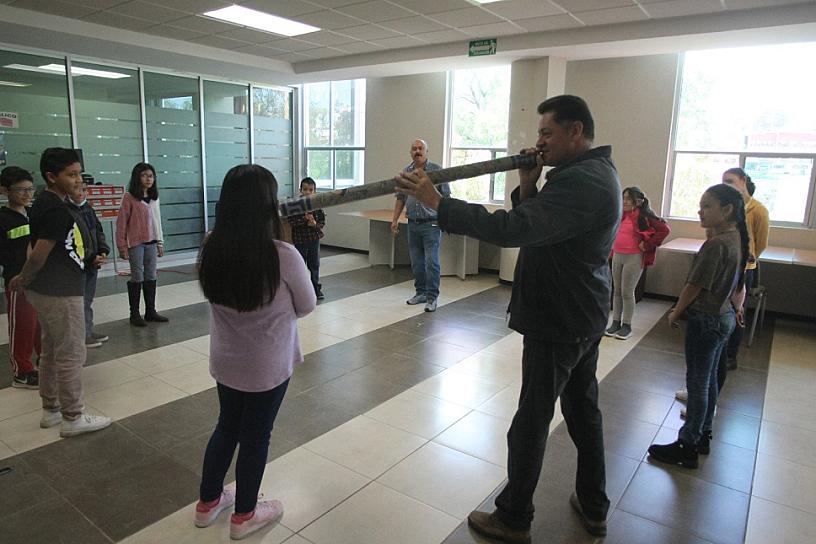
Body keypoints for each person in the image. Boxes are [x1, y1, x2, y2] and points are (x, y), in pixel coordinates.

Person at [396, 95, 620, 543]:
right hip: (580, 312)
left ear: (576, 131)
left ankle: (514, 517)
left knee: (532, 421)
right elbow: (538, 223)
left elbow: (513, 230)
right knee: (582, 411)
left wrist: (439, 203)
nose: (538, 143)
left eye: (546, 133)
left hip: (559, 319)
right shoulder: (587, 174)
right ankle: (594, 505)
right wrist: (528, 184)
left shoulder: (583, 182)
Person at [195, 164, 316, 540]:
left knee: (227, 427)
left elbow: (212, 294)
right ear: (267, 205)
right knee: (256, 436)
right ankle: (245, 514)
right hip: (267, 367)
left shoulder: (211, 243)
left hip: (227, 361)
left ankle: (207, 503)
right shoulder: (283, 254)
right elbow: (307, 304)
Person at [9, 148, 111, 437]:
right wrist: (24, 277)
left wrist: (28, 279)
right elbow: (39, 254)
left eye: (79, 173)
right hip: (60, 291)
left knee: (52, 351)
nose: (78, 179)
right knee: (71, 353)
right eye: (71, 174)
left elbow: (34, 245)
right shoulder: (55, 208)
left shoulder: (43, 203)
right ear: (52, 177)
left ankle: (51, 410)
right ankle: (73, 416)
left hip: (48, 288)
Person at [649, 184, 748, 469]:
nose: (700, 211)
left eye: (707, 206)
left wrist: (676, 311)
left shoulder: (716, 245)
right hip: (724, 315)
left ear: (727, 210)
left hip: (707, 318)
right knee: (710, 380)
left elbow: (695, 285)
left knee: (698, 383)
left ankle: (687, 443)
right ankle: (703, 433)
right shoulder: (735, 238)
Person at [391, 138, 450, 313]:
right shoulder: (406, 172)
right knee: (416, 262)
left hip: (431, 223)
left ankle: (432, 297)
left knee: (431, 262)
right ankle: (421, 293)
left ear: (426, 151)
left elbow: (446, 197)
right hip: (413, 224)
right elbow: (400, 198)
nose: (417, 151)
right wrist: (394, 220)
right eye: (414, 149)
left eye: (420, 148)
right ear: (410, 152)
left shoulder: (436, 171)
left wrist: (446, 220)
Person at [605, 186, 670, 339]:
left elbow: (664, 229)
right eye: (624, 198)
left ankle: (626, 325)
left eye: (628, 198)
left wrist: (647, 244)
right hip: (618, 255)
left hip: (633, 257)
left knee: (627, 292)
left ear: (639, 201)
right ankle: (616, 322)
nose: (625, 201)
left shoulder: (645, 216)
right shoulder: (621, 214)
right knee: (617, 291)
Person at [721, 168, 768, 369]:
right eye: (724, 181)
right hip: (726, 264)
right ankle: (720, 348)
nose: (727, 185)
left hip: (745, 268)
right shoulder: (728, 206)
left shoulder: (758, 210)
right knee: (722, 309)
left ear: (743, 180)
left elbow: (761, 243)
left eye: (730, 181)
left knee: (736, 310)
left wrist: (748, 257)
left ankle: (731, 355)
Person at [0, 166, 41, 388]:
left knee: (40, 324)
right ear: (5, 190)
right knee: (22, 326)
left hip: (40, 280)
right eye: (21, 190)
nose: (27, 194)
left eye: (30, 189)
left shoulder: (34, 214)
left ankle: (42, 361)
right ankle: (22, 371)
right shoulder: (3, 219)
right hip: (18, 281)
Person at [116, 162, 168, 327]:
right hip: (136, 243)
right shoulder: (129, 197)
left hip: (152, 243)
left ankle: (150, 311)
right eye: (145, 175)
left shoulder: (154, 198)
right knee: (137, 276)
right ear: (137, 177)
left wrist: (160, 242)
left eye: (151, 176)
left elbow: (157, 221)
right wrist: (122, 246)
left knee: (151, 276)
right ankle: (135, 314)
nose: (148, 179)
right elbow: (121, 223)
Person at [66, 182, 110, 348]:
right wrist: (90, 257)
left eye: (84, 189)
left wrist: (103, 251)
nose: (81, 193)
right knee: (80, 302)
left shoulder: (88, 209)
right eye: (76, 188)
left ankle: (88, 330)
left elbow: (98, 231)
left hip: (93, 262)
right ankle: (82, 335)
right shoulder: (67, 211)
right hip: (80, 263)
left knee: (88, 300)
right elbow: (74, 241)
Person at [287, 177, 325, 299]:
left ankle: (315, 288)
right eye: (305, 189)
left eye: (310, 190)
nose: (308, 192)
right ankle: (300, 290)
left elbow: (322, 222)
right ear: (300, 190)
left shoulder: (317, 205)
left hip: (314, 238)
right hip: (300, 239)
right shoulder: (295, 205)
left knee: (314, 264)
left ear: (315, 191)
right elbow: (291, 221)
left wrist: (314, 224)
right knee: (300, 265)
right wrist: (304, 219)